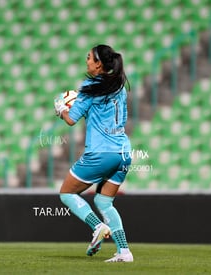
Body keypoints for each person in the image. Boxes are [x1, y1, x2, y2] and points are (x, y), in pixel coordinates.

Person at [54, 44, 133, 263]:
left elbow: (71, 120)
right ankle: (124, 252)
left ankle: (97, 226)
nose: (87, 61)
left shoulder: (90, 86)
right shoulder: (119, 85)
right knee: (104, 202)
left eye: (89, 58)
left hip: (101, 152)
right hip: (124, 152)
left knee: (66, 193)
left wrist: (61, 108)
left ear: (98, 63)